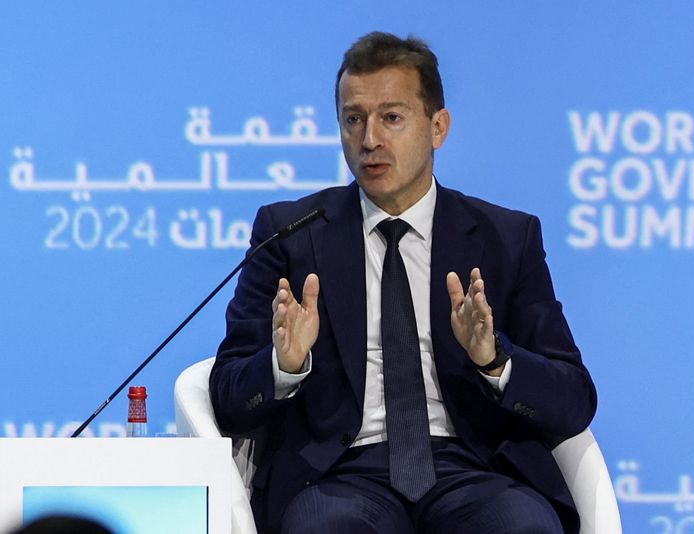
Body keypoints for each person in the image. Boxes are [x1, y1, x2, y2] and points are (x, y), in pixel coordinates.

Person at [210, 31, 596, 534]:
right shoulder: (289, 235)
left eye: (392, 117)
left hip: (473, 471)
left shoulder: (507, 238)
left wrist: (495, 360)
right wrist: (285, 365)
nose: (370, 139)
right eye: (354, 119)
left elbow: (574, 401)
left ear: (438, 127)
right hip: (338, 476)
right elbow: (229, 397)